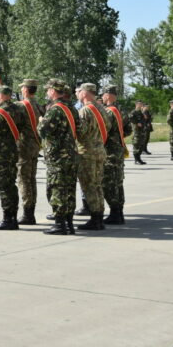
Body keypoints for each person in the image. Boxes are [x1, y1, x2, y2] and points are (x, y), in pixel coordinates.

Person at [0, 85, 29, 230]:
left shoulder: (0, 111)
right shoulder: (18, 109)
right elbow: (22, 125)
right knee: (11, 184)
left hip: (0, 153)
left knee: (3, 186)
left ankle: (8, 219)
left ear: (2, 95)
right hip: (12, 150)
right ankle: (13, 217)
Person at [40, 80, 80, 235]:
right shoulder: (71, 108)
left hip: (58, 157)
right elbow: (79, 128)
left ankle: (59, 224)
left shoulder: (55, 110)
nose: (47, 92)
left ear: (54, 91)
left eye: (48, 90)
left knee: (56, 190)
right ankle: (69, 223)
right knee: (69, 189)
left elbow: (44, 130)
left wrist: (41, 122)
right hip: (71, 154)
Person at [75, 84, 107, 231]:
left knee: (89, 186)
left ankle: (95, 218)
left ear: (85, 93)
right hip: (100, 149)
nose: (78, 93)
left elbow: (81, 133)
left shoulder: (85, 110)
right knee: (98, 184)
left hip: (87, 152)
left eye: (79, 91)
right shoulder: (101, 108)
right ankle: (99, 216)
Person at [16, 79, 44, 225]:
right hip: (35, 146)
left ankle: (28, 214)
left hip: (24, 147)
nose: (21, 91)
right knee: (31, 179)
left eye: (22, 88)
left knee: (24, 180)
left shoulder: (21, 106)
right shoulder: (38, 106)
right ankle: (30, 211)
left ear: (26, 90)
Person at [101, 85, 129, 225]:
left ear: (108, 95)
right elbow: (128, 129)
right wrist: (118, 137)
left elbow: (102, 132)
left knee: (108, 182)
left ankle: (115, 213)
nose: (102, 97)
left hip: (109, 151)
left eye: (104, 94)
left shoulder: (108, 112)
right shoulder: (120, 110)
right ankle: (119, 212)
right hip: (118, 149)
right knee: (118, 182)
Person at [128, 101, 148, 165]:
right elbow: (130, 118)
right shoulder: (133, 112)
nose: (141, 105)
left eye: (141, 104)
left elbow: (144, 119)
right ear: (136, 104)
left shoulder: (141, 112)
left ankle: (139, 158)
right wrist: (137, 123)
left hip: (141, 130)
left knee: (141, 144)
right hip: (136, 130)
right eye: (140, 104)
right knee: (136, 144)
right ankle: (136, 160)